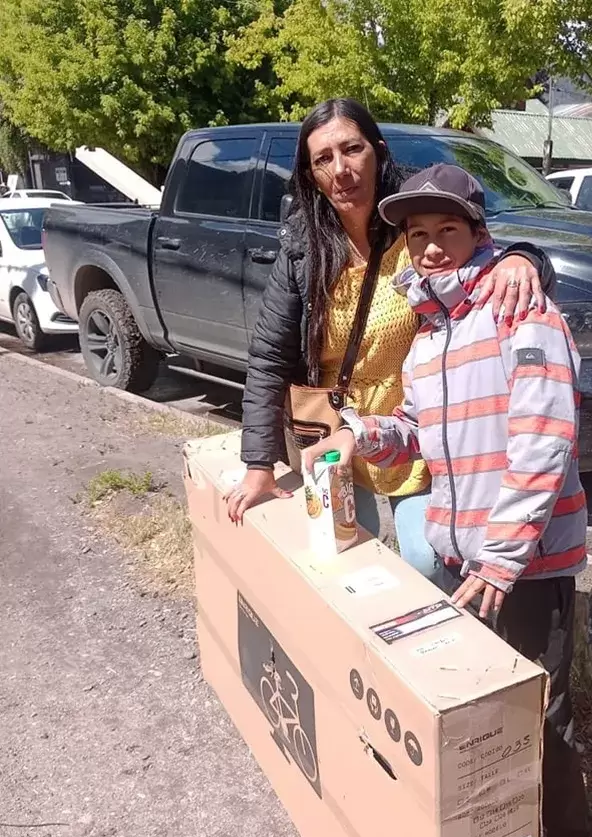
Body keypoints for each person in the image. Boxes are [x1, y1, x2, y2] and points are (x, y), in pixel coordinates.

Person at [302, 164, 592, 837]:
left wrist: (503, 562)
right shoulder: (431, 333)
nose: (432, 247)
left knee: (544, 723)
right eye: (417, 235)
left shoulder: (522, 312)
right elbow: (416, 429)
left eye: (447, 231)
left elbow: (544, 445)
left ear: (480, 234)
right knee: (493, 728)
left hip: (523, 567)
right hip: (465, 560)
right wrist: (364, 435)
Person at [225, 98, 554, 579]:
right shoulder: (304, 244)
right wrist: (258, 463)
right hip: (335, 429)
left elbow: (484, 246)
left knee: (426, 559)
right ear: (311, 173)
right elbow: (269, 355)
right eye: (323, 159)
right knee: (345, 553)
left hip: (414, 431)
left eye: (352, 149)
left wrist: (523, 259)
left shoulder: (415, 219)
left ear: (377, 152)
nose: (341, 170)